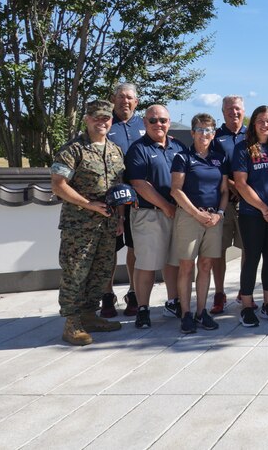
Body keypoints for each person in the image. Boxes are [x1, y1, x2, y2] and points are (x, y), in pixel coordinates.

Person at [50, 100, 126, 345]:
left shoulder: (115, 150)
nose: (101, 122)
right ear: (87, 119)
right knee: (76, 272)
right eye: (96, 117)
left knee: (101, 271)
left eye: (106, 118)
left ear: (111, 121)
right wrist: (89, 204)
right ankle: (71, 323)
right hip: (79, 226)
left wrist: (121, 218)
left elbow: (118, 187)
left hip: (108, 224)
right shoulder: (73, 150)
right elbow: (58, 185)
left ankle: (89, 316)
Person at [125, 104, 187, 329]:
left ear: (169, 122)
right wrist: (166, 206)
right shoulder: (138, 149)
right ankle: (143, 309)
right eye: (153, 120)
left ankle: (173, 302)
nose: (158, 124)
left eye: (163, 120)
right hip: (149, 214)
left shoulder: (178, 146)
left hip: (177, 214)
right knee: (147, 264)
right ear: (145, 123)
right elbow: (140, 184)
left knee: (173, 262)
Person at [232, 105, 268, 327]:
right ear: (253, 123)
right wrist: (264, 208)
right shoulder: (243, 149)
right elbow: (240, 183)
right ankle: (247, 306)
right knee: (252, 259)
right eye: (260, 121)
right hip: (252, 214)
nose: (265, 125)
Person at [168, 113, 228, 333]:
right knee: (186, 266)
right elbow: (176, 190)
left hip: (213, 218)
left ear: (214, 134)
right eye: (200, 130)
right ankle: (186, 314)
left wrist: (219, 213)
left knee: (206, 265)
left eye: (209, 130)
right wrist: (196, 214)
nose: (205, 134)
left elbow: (224, 191)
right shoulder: (182, 158)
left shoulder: (219, 159)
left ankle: (201, 312)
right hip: (190, 217)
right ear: (192, 133)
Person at [105, 82, 146, 317]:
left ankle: (133, 291)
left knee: (135, 247)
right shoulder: (105, 123)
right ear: (113, 99)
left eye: (129, 97)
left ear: (136, 102)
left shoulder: (143, 124)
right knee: (110, 249)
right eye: (120, 97)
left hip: (138, 199)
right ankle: (107, 293)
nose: (125, 101)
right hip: (110, 198)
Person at [210, 94, 247, 314]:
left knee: (247, 250)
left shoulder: (251, 135)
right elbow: (214, 168)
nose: (234, 112)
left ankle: (245, 289)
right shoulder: (215, 137)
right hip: (222, 202)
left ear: (243, 111)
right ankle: (220, 293)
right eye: (230, 109)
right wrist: (235, 186)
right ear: (223, 112)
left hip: (247, 203)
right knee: (218, 251)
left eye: (238, 109)